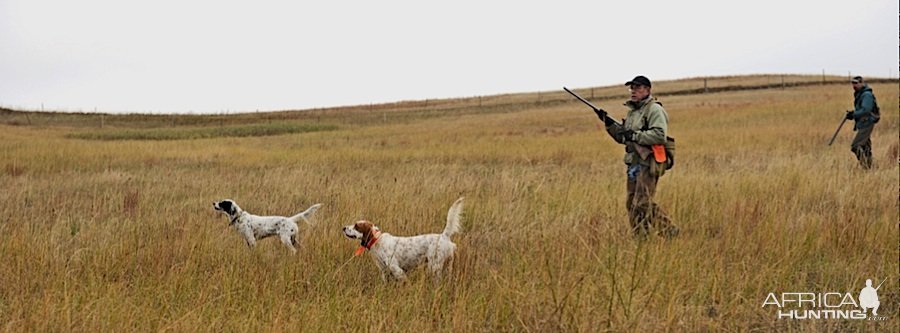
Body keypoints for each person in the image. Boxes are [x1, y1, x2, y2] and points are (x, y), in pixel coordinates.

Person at [602, 76, 678, 238]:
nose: (633, 91)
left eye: (638, 88)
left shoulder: (654, 110)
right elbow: (623, 139)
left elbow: (659, 135)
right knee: (632, 204)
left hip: (647, 162)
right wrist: (609, 124)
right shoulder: (633, 112)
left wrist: (634, 135)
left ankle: (670, 231)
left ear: (648, 90)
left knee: (642, 203)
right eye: (632, 88)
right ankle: (641, 239)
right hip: (633, 163)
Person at [845, 76, 879, 169]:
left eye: (856, 83)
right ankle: (871, 167)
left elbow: (866, 110)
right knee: (865, 147)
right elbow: (861, 109)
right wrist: (852, 114)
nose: (854, 85)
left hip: (867, 123)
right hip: (863, 122)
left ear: (862, 83)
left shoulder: (866, 95)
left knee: (856, 146)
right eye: (852, 83)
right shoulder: (860, 94)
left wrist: (854, 114)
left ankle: (866, 167)